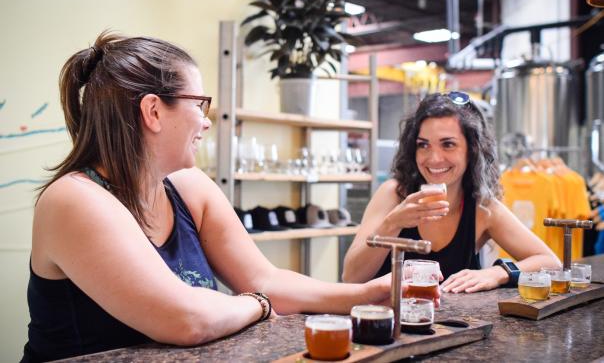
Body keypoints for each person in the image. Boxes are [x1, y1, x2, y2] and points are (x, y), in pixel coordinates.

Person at [22, 32, 392, 362]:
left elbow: (265, 277)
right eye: (199, 104)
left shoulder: (188, 185)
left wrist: (365, 293)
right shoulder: (74, 200)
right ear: (153, 111)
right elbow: (187, 320)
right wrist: (257, 304)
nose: (206, 121)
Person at [342, 92, 561, 292]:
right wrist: (392, 224)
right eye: (423, 145)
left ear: (472, 150)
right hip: (387, 327)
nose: (434, 158)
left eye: (448, 144)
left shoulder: (482, 208)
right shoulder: (393, 194)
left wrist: (498, 273)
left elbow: (550, 262)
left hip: (453, 331)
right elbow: (351, 278)